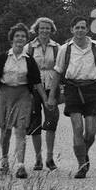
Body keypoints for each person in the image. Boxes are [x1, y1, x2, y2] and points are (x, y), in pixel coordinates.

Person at [54, 15, 96, 178]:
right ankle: (82, 165)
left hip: (92, 89)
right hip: (72, 88)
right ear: (72, 30)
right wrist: (52, 95)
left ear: (87, 29)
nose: (80, 30)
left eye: (83, 27)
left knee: (91, 132)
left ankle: (83, 152)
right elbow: (58, 71)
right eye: (77, 27)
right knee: (78, 128)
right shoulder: (65, 49)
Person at [0, 23, 42, 178]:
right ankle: (4, 161)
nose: (20, 38)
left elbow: (37, 82)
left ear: (26, 40)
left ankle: (20, 166)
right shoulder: (4, 57)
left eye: (23, 36)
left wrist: (47, 100)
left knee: (21, 129)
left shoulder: (29, 60)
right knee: (5, 131)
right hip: (4, 94)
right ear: (12, 39)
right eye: (17, 36)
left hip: (23, 95)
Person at [25, 16, 61, 171]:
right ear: (37, 30)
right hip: (33, 87)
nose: (45, 31)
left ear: (51, 30)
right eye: (42, 28)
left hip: (51, 85)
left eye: (47, 28)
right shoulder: (29, 48)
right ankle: (38, 158)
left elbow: (60, 68)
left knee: (52, 121)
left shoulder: (57, 47)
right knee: (35, 122)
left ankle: (50, 157)